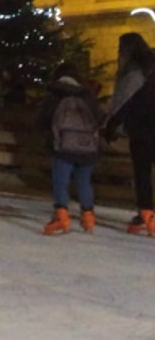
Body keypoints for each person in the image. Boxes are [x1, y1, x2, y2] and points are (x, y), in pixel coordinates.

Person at [37, 62, 103, 235]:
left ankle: (61, 215)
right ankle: (88, 216)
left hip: (63, 146)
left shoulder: (55, 93)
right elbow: (99, 117)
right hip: (86, 146)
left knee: (61, 180)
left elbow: (43, 119)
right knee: (84, 181)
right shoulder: (87, 94)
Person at [104, 33, 155, 236]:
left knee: (142, 172)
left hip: (142, 128)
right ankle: (145, 213)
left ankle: (145, 212)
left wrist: (111, 125)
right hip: (146, 126)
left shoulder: (134, 71)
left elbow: (125, 101)